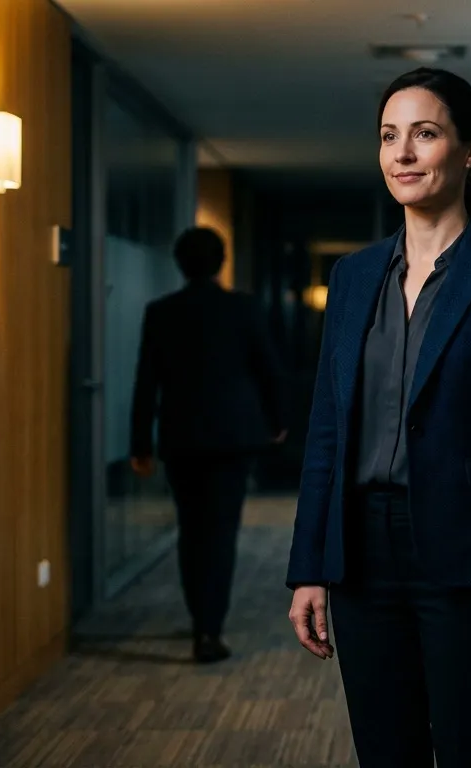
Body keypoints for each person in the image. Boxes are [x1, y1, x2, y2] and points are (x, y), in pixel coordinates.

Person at [284, 67, 471, 767]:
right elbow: (328, 429)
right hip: (360, 554)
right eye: (388, 137)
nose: (402, 153)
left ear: (470, 150)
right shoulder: (353, 276)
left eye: (424, 134)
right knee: (386, 752)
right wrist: (310, 567)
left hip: (467, 554)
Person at [131, 226, 288, 664]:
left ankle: (200, 616)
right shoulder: (243, 308)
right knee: (220, 532)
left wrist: (140, 443)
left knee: (191, 530)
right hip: (233, 438)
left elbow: (147, 382)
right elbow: (269, 369)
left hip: (181, 438)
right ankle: (208, 629)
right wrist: (278, 422)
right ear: (220, 262)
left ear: (180, 264)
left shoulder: (161, 312)